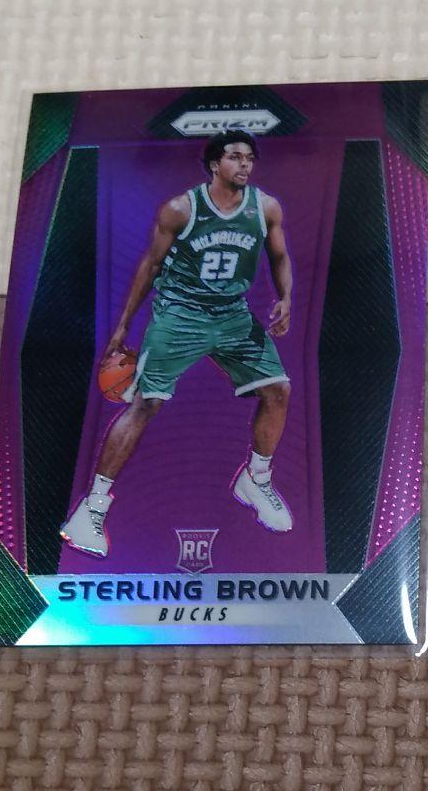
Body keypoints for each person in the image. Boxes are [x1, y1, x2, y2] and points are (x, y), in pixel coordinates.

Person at [60, 130, 293, 557]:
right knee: (145, 403)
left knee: (278, 390)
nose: (244, 164)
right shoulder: (181, 209)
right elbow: (150, 264)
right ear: (215, 164)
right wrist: (122, 327)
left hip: (233, 315)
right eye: (235, 157)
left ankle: (256, 480)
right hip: (180, 314)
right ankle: (91, 509)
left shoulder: (265, 207)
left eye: (249, 158)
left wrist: (285, 297)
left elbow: (278, 256)